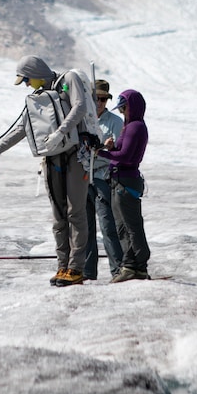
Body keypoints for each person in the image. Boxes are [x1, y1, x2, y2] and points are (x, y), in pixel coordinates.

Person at [0, 55, 92, 287]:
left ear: (37, 73)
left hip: (76, 153)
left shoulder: (67, 79)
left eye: (27, 80)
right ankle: (63, 265)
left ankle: (75, 268)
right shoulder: (36, 100)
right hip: (52, 158)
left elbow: (79, 107)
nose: (27, 85)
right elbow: (21, 128)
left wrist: (60, 132)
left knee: (75, 213)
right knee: (59, 215)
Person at [96, 89, 151, 281]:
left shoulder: (135, 127)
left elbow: (126, 157)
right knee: (122, 226)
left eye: (124, 108)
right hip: (121, 180)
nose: (121, 112)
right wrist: (111, 147)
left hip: (126, 181)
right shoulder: (131, 126)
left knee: (130, 226)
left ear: (132, 107)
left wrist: (101, 153)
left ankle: (136, 266)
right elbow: (122, 150)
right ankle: (131, 265)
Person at [83, 79, 124, 281]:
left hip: (102, 178)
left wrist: (107, 148)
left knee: (108, 226)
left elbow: (120, 151)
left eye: (103, 99)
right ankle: (87, 272)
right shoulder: (82, 120)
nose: (99, 103)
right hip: (83, 178)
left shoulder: (116, 122)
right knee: (86, 229)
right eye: (96, 98)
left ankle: (118, 269)